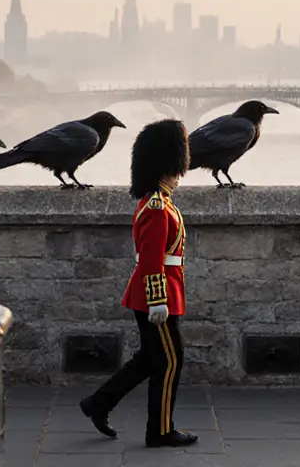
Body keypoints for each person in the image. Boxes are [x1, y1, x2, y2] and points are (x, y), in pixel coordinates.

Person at [80, 118, 197, 448]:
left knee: (150, 359)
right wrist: (158, 300)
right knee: (171, 360)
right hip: (155, 296)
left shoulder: (159, 202)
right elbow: (150, 259)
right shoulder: (157, 207)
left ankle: (99, 403)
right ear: (166, 165)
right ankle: (160, 430)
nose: (179, 173)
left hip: (160, 293)